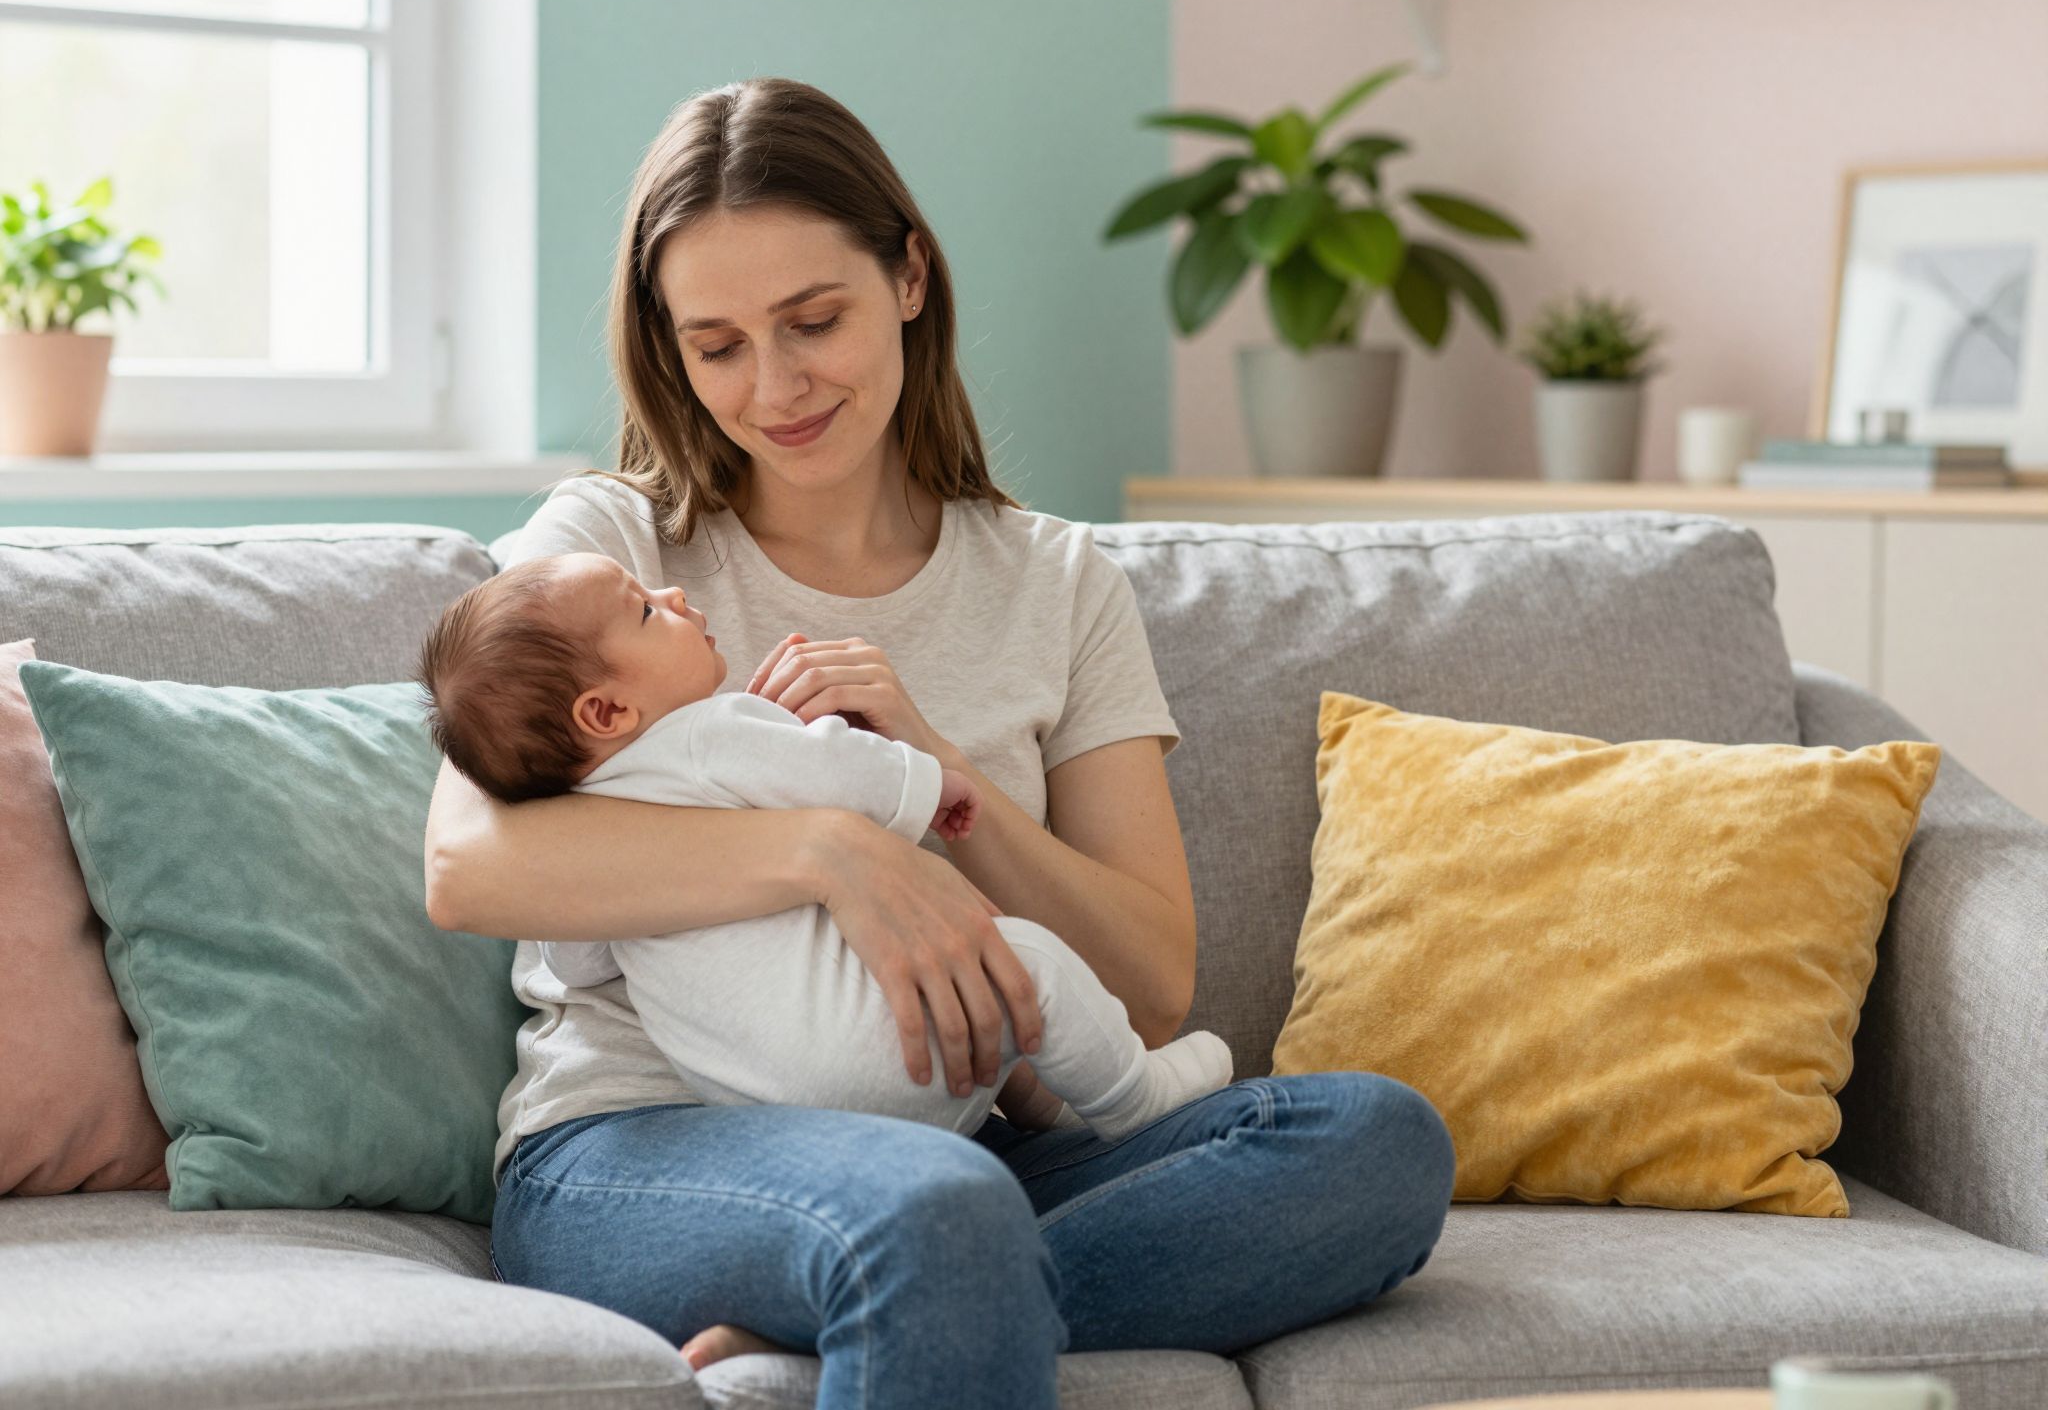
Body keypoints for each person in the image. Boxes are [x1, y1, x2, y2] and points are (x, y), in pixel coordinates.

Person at [424, 75, 1455, 1410]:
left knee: (1374, 1142)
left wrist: (948, 782)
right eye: (718, 343)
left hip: (959, 1141)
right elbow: (468, 864)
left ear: (909, 276)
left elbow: (1146, 986)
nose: (775, 385)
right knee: (932, 1212)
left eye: (814, 320)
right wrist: (836, 850)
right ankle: (909, 1278)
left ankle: (871, 1313)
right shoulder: (611, 547)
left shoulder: (1061, 583)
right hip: (642, 1150)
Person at [413, 550, 1234, 1139]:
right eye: (646, 609)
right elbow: (833, 766)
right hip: (835, 1087)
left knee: (1337, 1128)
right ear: (604, 712)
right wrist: (929, 786)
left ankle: (818, 1285)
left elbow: (578, 958)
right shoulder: (710, 729)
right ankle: (1131, 1101)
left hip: (761, 1112)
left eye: (813, 322)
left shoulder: (592, 826)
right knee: (1031, 965)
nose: (671, 594)